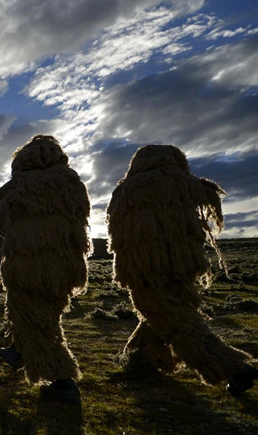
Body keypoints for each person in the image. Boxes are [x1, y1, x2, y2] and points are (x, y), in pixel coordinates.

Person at [107, 144, 258, 396]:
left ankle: (234, 368)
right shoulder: (184, 184)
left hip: (144, 270)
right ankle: (142, 362)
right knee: (164, 316)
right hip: (182, 268)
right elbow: (207, 195)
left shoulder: (126, 190)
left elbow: (116, 229)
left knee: (176, 323)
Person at [0, 135, 92, 403]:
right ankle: (17, 351)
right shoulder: (71, 182)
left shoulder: (15, 187)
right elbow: (83, 214)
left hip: (26, 265)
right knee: (43, 314)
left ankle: (63, 380)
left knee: (32, 317)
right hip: (66, 265)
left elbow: (1, 223)